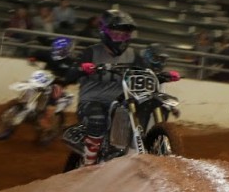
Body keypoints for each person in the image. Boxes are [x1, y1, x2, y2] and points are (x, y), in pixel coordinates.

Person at [65, 10, 143, 166]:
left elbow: (146, 72)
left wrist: (162, 75)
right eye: (116, 34)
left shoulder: (134, 56)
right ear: (105, 32)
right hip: (92, 101)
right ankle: (89, 163)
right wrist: (82, 68)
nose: (120, 38)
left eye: (124, 35)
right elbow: (70, 75)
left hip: (121, 103)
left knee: (139, 114)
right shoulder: (91, 52)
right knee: (97, 119)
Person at [28, 36, 77, 130]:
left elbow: (74, 75)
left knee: (54, 95)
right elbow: (37, 54)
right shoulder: (50, 55)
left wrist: (68, 79)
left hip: (59, 83)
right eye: (58, 48)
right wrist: (32, 57)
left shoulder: (71, 62)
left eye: (62, 49)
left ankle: (46, 118)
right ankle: (25, 104)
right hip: (45, 78)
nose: (59, 51)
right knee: (31, 84)